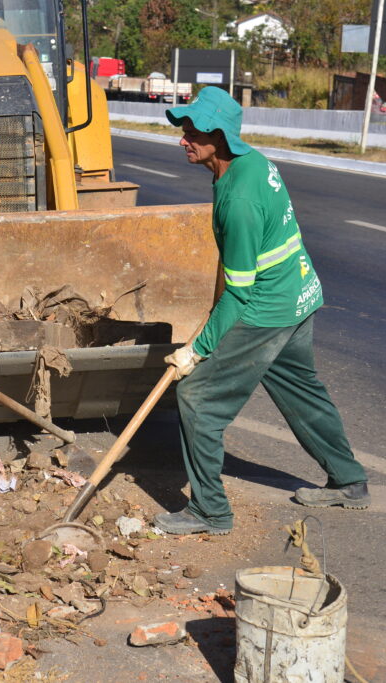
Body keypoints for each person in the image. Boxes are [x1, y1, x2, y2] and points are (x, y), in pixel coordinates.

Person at [154, 87, 370, 536]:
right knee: (298, 387)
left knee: (198, 401)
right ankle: (349, 482)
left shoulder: (239, 200)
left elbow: (238, 294)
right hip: (299, 293)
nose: (183, 140)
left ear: (220, 136)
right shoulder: (252, 163)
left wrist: (196, 351)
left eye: (192, 132)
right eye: (183, 130)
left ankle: (210, 511)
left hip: (266, 309)